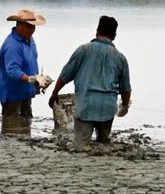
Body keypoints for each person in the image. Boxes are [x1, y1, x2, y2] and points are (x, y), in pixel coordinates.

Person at [48, 15, 131, 149]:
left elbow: (65, 75)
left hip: (86, 105)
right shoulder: (120, 58)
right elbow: (126, 88)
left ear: (97, 31)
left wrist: (54, 93)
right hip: (107, 108)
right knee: (103, 143)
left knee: (80, 145)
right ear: (114, 36)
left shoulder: (83, 50)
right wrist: (125, 107)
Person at [0, 8, 51, 121]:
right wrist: (33, 79)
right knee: (12, 129)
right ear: (19, 25)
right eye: (29, 26)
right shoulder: (13, 45)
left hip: (25, 92)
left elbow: (30, 62)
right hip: (12, 94)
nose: (32, 30)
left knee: (26, 124)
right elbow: (13, 72)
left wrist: (40, 79)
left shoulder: (29, 40)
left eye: (33, 26)